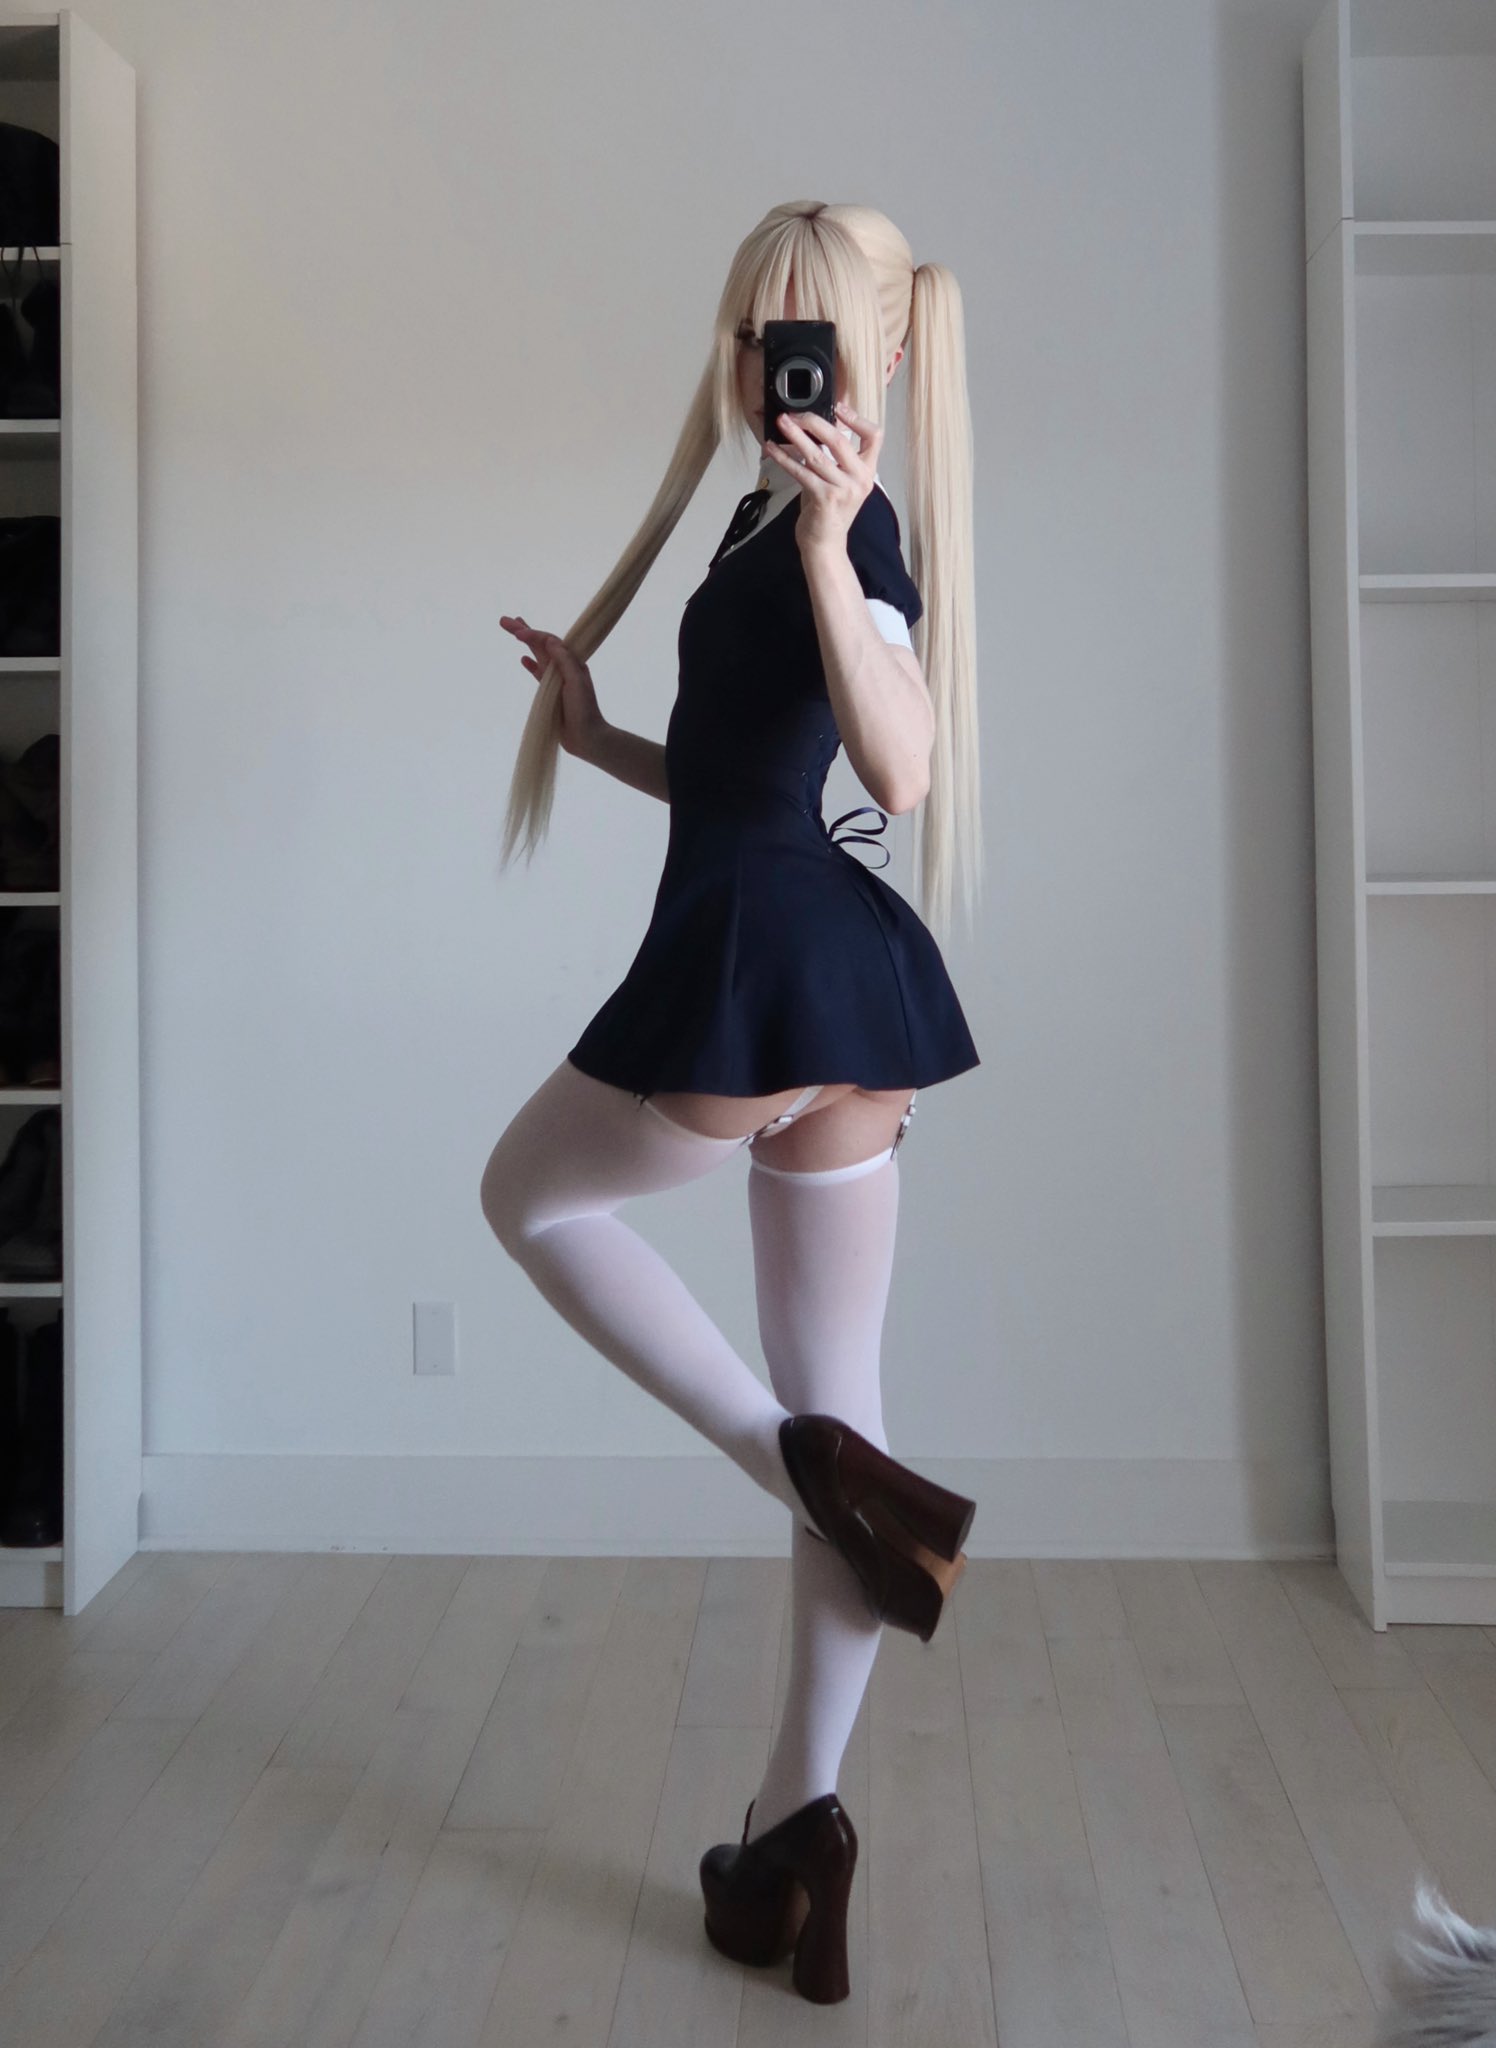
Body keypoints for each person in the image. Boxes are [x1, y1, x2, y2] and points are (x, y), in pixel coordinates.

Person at [479, 200, 982, 2005]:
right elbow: (735, 782)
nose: (779, 362)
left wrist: (842, 544)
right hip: (838, 990)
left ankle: (803, 1468)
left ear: (885, 353)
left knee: (528, 1200)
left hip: (769, 965)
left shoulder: (852, 528)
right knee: (847, 1423)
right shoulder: (762, 516)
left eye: (813, 333)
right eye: (760, 330)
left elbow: (900, 767)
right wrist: (594, 729)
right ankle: (793, 1838)